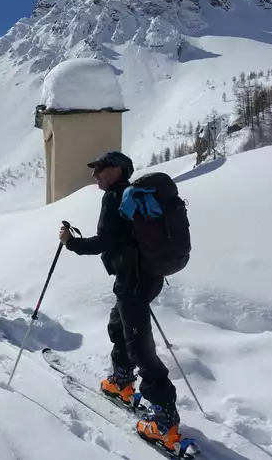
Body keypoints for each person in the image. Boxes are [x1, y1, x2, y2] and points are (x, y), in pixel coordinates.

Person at [58, 151, 182, 449]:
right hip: (144, 276)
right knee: (120, 326)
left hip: (135, 279)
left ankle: (164, 420)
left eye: (100, 168)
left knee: (139, 345)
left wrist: (71, 243)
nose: (95, 174)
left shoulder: (116, 197)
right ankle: (121, 381)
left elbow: (105, 242)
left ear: (118, 170)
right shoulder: (131, 197)